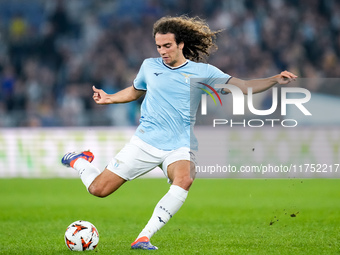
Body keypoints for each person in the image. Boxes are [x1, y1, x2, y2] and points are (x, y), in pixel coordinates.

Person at [61, 15, 297, 250]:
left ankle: (144, 237)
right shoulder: (149, 66)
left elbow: (243, 87)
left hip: (179, 145)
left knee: (185, 178)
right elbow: (135, 91)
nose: (162, 51)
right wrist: (109, 98)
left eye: (167, 46)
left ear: (180, 44)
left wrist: (274, 79)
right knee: (98, 190)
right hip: (145, 141)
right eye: (158, 46)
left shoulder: (202, 72)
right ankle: (80, 161)